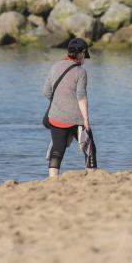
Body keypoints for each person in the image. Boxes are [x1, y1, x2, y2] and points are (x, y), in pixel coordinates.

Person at [43, 37, 96, 178]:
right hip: (76, 118)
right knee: (89, 149)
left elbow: (46, 92)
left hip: (55, 117)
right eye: (85, 55)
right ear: (82, 53)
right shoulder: (80, 72)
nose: (85, 59)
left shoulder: (55, 67)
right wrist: (86, 119)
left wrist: (60, 103)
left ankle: (52, 180)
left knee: (57, 149)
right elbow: (81, 96)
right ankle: (92, 177)